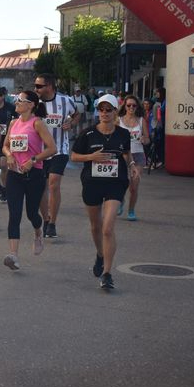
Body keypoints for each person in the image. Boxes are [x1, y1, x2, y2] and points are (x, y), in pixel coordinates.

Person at [71, 94, 139, 290]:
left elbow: (126, 152)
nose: (104, 113)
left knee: (107, 227)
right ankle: (100, 254)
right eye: (101, 109)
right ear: (97, 111)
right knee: (95, 226)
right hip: (92, 183)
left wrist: (132, 164)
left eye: (109, 109)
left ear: (115, 111)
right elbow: (74, 156)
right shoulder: (88, 134)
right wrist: (91, 156)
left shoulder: (123, 134)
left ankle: (108, 273)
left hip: (115, 183)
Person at [1, 90, 56, 270]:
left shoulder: (37, 123)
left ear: (31, 104)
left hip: (34, 175)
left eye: (20, 100)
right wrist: (9, 155)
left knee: (32, 213)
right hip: (15, 174)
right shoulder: (13, 123)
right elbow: (5, 146)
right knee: (14, 214)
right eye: (16, 100)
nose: (16, 102)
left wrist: (33, 161)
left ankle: (38, 232)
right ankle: (13, 255)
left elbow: (52, 149)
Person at [34, 73, 80, 238]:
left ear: (50, 86)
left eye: (39, 86)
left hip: (60, 149)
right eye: (35, 85)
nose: (36, 89)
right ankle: (45, 219)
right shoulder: (33, 102)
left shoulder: (65, 101)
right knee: (41, 188)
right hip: (39, 151)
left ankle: (52, 222)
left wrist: (71, 123)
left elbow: (77, 114)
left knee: (53, 183)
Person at [117, 95, 149, 220]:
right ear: (124, 106)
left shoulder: (141, 120)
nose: (131, 107)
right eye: (129, 105)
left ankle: (131, 211)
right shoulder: (118, 120)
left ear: (137, 107)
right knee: (121, 183)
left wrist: (144, 139)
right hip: (122, 155)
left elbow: (147, 139)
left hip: (138, 155)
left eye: (134, 105)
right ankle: (120, 201)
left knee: (134, 186)